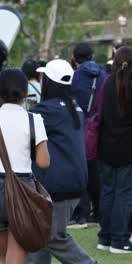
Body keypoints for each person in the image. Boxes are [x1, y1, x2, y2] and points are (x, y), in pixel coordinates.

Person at [0, 68, 50, 264]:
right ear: (26, 93)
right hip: (22, 189)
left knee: (2, 257)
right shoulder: (34, 120)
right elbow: (43, 162)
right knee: (16, 259)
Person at [28, 59, 97, 264]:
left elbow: (21, 126)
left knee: (50, 237)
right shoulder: (73, 107)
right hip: (73, 180)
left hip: (57, 183)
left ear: (48, 82)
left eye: (43, 78)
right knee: (37, 236)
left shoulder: (47, 111)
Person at [97, 46, 132, 253]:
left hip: (106, 146)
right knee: (124, 194)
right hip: (127, 148)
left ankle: (105, 237)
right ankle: (119, 240)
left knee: (108, 192)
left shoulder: (106, 83)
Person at [70, 42, 108, 228]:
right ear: (92, 56)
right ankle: (99, 213)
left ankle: (81, 214)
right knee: (97, 173)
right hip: (100, 130)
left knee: (81, 171)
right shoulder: (104, 76)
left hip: (79, 130)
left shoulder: (74, 77)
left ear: (75, 59)